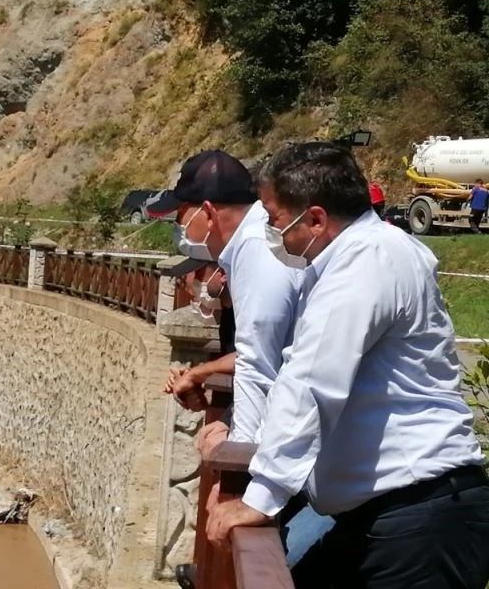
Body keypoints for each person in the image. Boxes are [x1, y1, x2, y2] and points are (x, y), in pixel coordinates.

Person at [205, 141, 489, 589]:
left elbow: (313, 379)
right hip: (389, 515)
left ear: (315, 218)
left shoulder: (368, 260)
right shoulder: (359, 257)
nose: (270, 232)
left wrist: (260, 497)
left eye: (274, 219)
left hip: (421, 520)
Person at [146, 150, 333, 585]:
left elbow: (259, 364)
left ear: (208, 213)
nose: (179, 227)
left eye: (182, 215)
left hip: (320, 458)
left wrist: (240, 469)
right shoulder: (253, 248)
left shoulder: (255, 250)